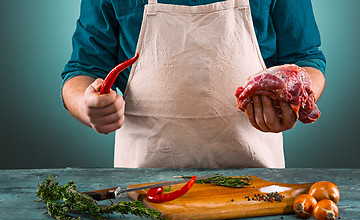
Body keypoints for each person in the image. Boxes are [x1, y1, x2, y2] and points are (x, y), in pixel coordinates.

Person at [61, 0, 326, 168]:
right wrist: (88, 106)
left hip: (258, 185)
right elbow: (82, 70)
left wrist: (294, 101)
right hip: (143, 188)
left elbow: (305, 60)